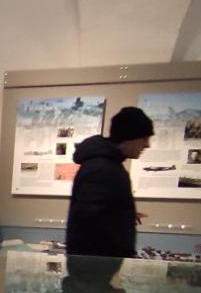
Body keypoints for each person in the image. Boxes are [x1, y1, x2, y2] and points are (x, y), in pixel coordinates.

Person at [65, 106, 154, 258]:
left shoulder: (107, 165)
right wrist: (121, 219)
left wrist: (124, 213)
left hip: (99, 262)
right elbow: (88, 220)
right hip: (96, 264)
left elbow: (98, 211)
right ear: (129, 137)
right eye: (144, 138)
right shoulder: (102, 168)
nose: (147, 145)